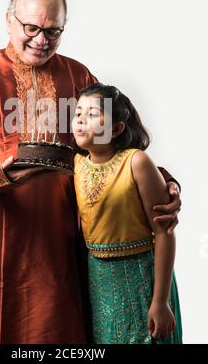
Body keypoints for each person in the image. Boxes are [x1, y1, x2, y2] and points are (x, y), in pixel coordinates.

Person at [0, 0, 181, 343]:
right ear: (8, 20)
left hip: (63, 235)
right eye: (31, 27)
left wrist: (163, 183)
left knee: (57, 333)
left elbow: (114, 149)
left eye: (53, 31)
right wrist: (1, 172)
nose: (41, 39)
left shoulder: (78, 75)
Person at [72, 83, 183, 344]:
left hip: (142, 276)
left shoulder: (136, 162)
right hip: (99, 279)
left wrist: (160, 301)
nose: (80, 120)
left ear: (116, 128)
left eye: (92, 114)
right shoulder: (76, 163)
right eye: (78, 113)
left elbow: (164, 233)